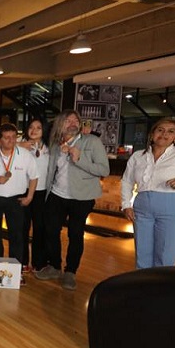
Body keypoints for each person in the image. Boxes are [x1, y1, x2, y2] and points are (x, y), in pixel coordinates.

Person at [35, 110, 109, 291]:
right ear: (60, 124)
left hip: (81, 197)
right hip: (57, 194)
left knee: (75, 234)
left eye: (76, 120)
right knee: (50, 231)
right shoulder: (55, 144)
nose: (73, 123)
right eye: (68, 121)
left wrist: (78, 158)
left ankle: (70, 272)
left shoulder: (91, 142)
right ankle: (54, 266)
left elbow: (104, 170)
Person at [121, 118, 175, 269]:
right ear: (152, 133)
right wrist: (126, 205)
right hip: (142, 207)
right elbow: (127, 181)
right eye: (160, 130)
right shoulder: (138, 156)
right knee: (142, 253)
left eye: (170, 131)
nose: (164, 134)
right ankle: (144, 289)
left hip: (172, 207)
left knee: (166, 255)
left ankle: (161, 291)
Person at [0, 123, 38, 281]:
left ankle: (16, 271)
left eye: (13, 137)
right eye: (6, 138)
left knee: (17, 235)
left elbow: (34, 177)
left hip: (16, 199)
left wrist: (30, 197)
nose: (11, 140)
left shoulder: (25, 155)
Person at [17, 118, 50, 273]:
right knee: (22, 227)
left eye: (38, 127)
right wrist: (19, 145)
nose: (34, 130)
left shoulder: (50, 147)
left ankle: (38, 262)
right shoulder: (19, 143)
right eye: (31, 127)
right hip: (23, 190)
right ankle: (22, 261)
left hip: (41, 191)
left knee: (39, 228)